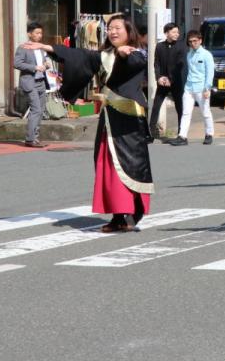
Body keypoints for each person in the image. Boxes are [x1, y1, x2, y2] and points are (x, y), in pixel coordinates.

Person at [22, 16, 153, 232]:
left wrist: (124, 55)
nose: (112, 32)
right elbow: (79, 55)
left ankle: (133, 212)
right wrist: (48, 47)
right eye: (110, 28)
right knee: (107, 165)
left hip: (130, 118)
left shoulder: (137, 52)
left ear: (129, 31)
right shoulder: (104, 55)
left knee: (131, 165)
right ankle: (117, 214)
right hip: (109, 116)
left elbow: (134, 64)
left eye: (118, 28)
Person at [169, 31, 215, 146]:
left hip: (201, 88)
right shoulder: (189, 54)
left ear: (200, 40)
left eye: (195, 41)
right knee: (186, 113)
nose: (193, 43)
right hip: (189, 88)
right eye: (190, 41)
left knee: (205, 112)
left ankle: (209, 134)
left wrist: (207, 88)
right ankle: (182, 136)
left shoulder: (206, 55)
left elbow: (210, 73)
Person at [13, 21, 56, 148]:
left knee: (40, 110)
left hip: (41, 81)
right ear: (29, 34)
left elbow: (43, 62)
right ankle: (30, 139)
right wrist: (35, 67)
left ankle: (35, 138)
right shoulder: (23, 47)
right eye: (37, 33)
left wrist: (46, 64)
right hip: (29, 82)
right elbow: (17, 63)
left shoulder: (41, 47)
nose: (39, 35)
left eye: (41, 33)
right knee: (36, 109)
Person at [148, 22, 185, 141]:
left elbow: (180, 65)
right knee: (156, 107)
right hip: (162, 82)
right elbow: (156, 64)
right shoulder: (159, 46)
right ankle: (151, 133)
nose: (177, 34)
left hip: (176, 82)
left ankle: (181, 133)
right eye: (174, 32)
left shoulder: (181, 46)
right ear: (167, 33)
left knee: (180, 107)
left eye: (177, 32)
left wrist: (170, 78)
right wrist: (159, 77)